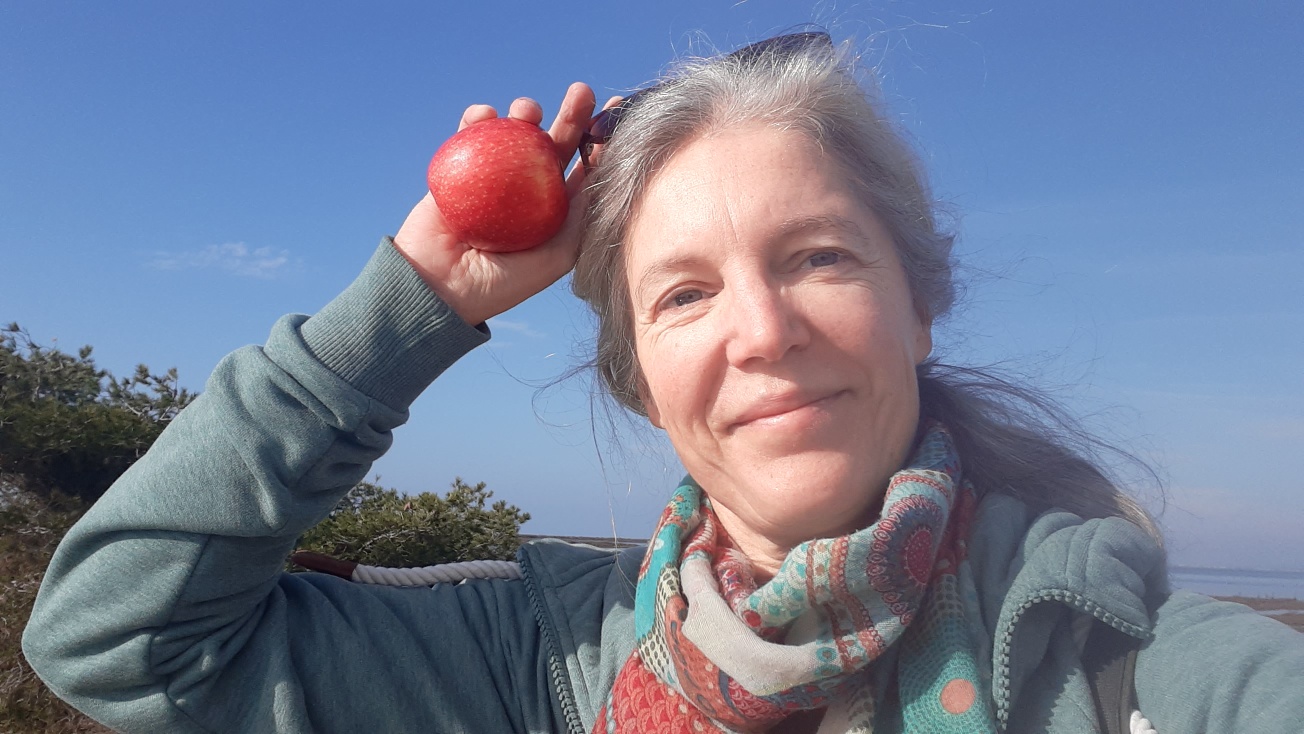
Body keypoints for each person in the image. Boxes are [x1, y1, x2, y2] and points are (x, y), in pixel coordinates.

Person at [23, 31, 1304, 734]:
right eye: (683, 293)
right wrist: (415, 302)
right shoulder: (541, 653)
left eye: (815, 257)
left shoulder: (1119, 662)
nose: (760, 329)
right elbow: (116, 641)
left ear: (919, 306)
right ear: (639, 378)